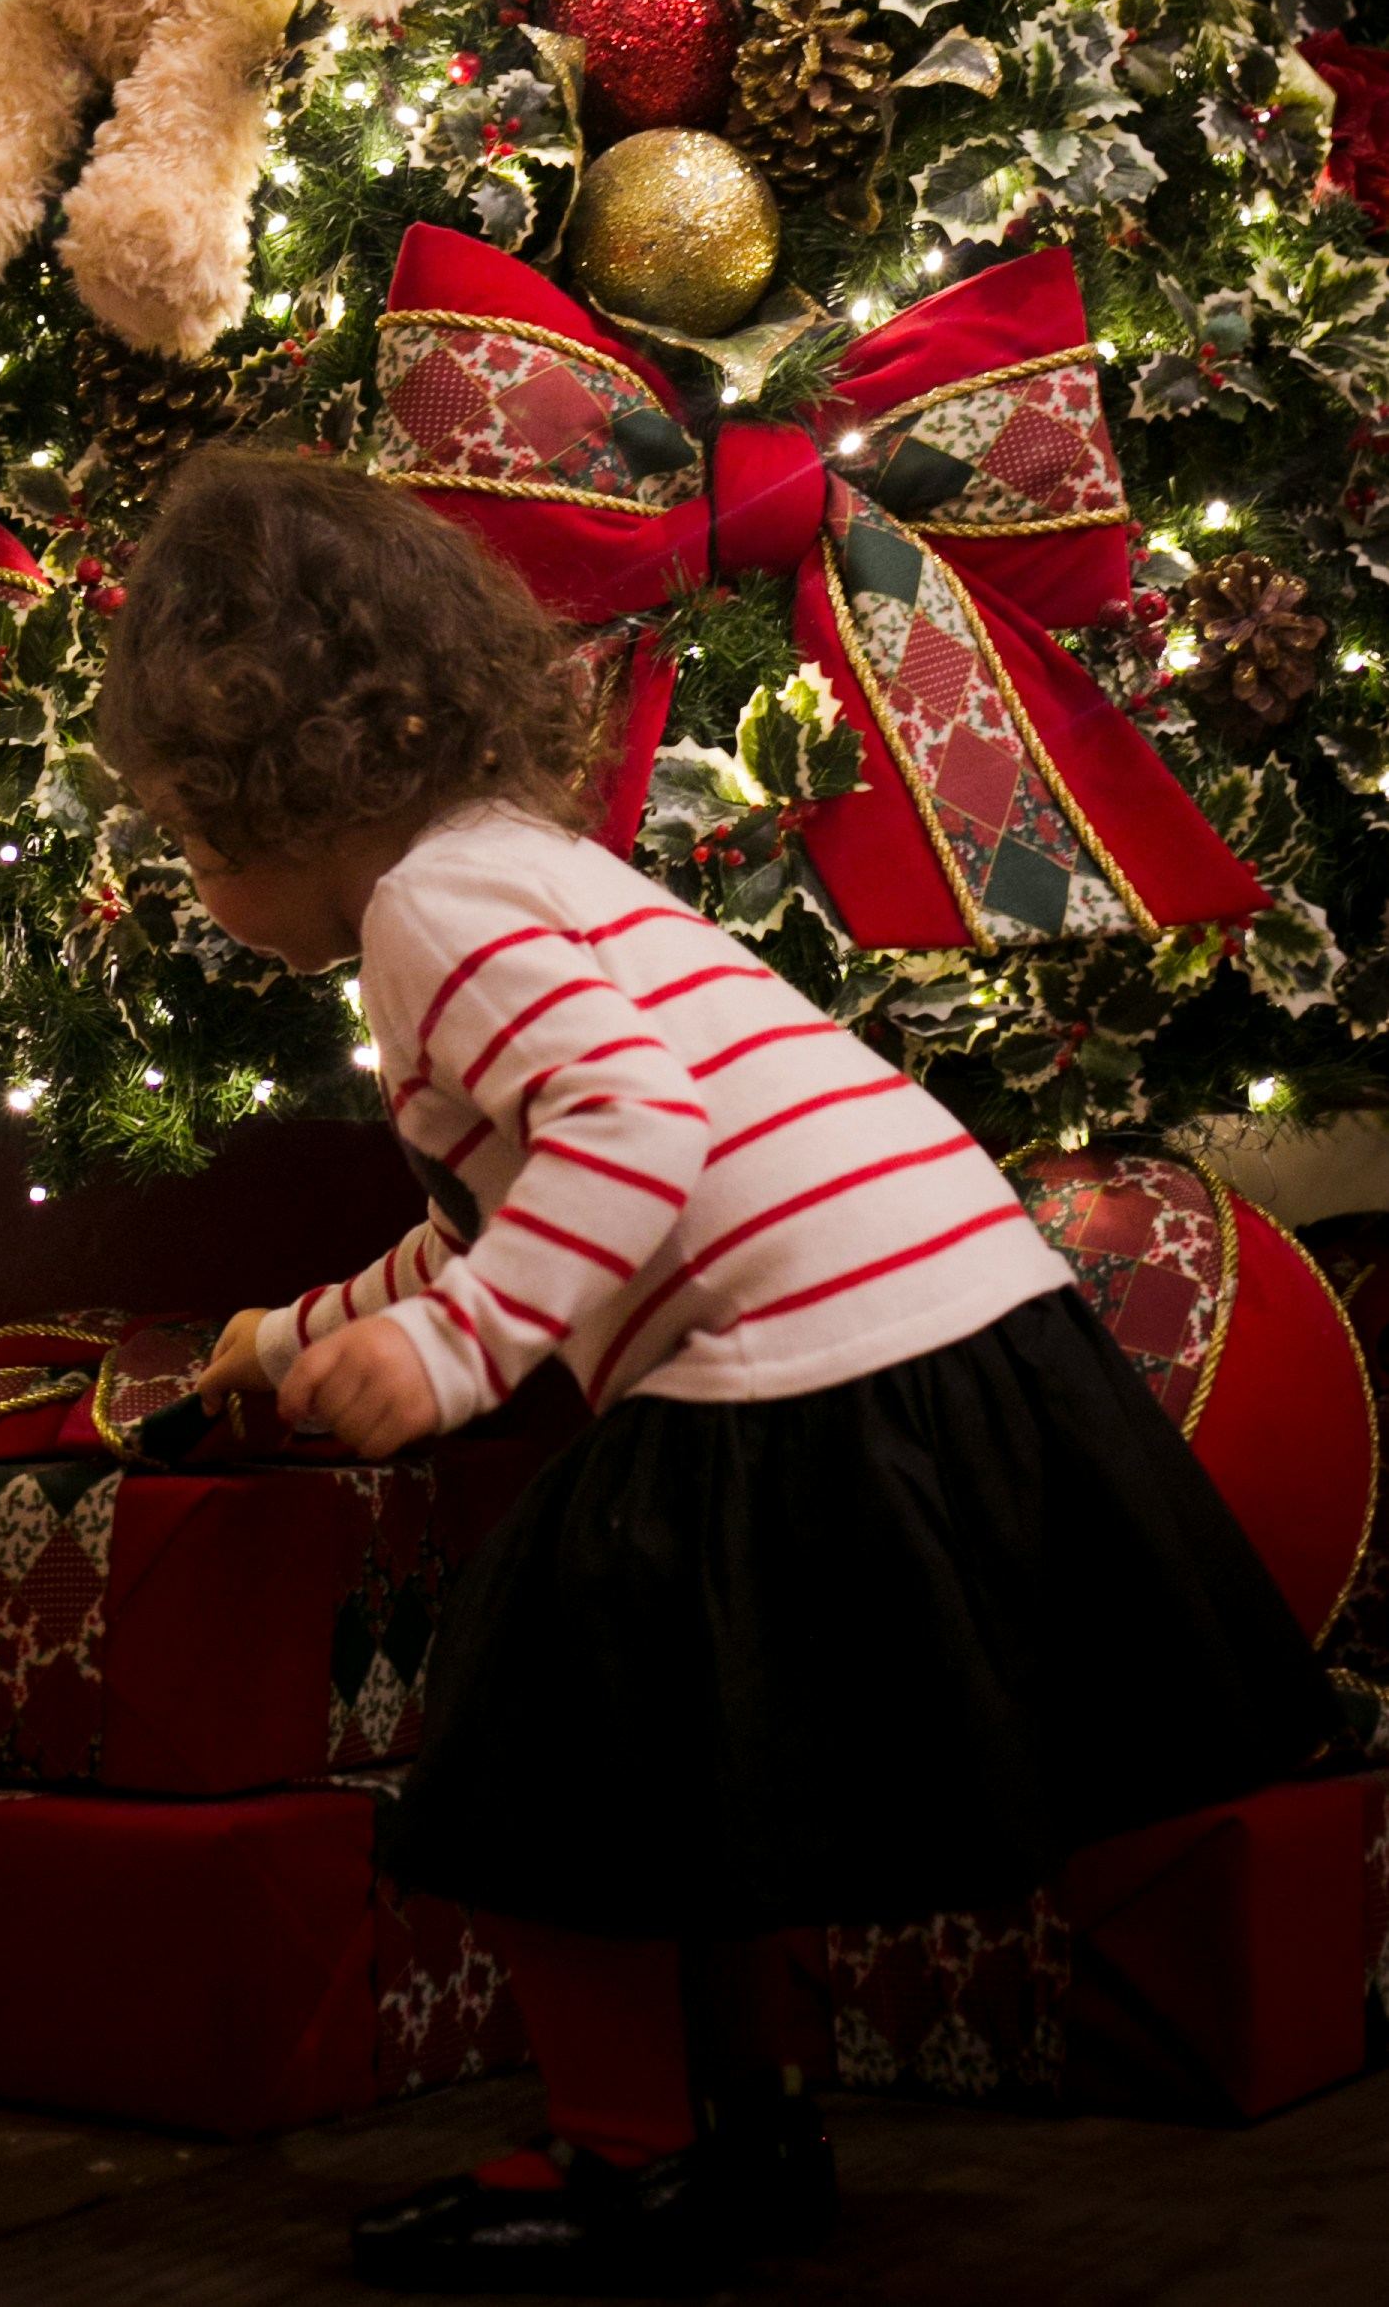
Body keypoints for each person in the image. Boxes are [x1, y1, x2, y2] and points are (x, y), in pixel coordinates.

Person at [97, 445, 1334, 2297]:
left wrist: (455, 1352)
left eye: (190, 836)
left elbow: (629, 1128)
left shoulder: (425, 920)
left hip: (803, 1359)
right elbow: (531, 1188)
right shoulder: (517, 869)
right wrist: (302, 1335)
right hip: (948, 1313)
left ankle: (625, 2154)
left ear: (276, 791)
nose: (197, 884)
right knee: (692, 1771)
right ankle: (743, 2122)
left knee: (540, 1752)